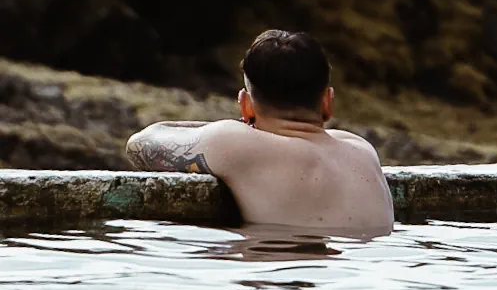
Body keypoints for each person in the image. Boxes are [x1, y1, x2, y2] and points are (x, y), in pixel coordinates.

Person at [126, 30, 395, 236]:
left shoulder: (235, 142)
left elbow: (140, 145)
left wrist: (237, 125)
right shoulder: (362, 150)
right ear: (328, 101)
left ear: (245, 105)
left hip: (274, 283)